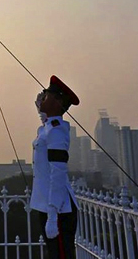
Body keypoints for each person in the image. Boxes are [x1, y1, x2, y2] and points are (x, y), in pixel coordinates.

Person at [30, 76, 79, 259]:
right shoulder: (49, 128)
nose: (42, 97)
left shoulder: (56, 131)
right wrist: (41, 110)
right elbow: (44, 127)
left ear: (58, 101)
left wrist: (52, 214)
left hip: (58, 209)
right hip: (48, 205)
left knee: (61, 255)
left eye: (47, 95)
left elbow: (58, 173)